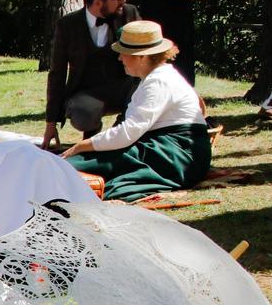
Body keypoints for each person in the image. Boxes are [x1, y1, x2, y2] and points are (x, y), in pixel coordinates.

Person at [61, 21, 210, 201]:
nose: (120, 58)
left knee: (90, 161)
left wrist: (81, 146)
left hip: (178, 155)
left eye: (125, 54)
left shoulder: (159, 82)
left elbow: (128, 132)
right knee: (94, 158)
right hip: (165, 148)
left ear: (142, 57)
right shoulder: (153, 79)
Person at [43, 0, 142, 150]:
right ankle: (92, 134)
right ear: (97, 2)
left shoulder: (130, 14)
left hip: (124, 88)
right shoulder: (67, 26)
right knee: (82, 113)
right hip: (88, 93)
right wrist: (51, 123)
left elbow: (146, 57)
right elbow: (57, 73)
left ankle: (119, 136)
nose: (124, 0)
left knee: (141, 88)